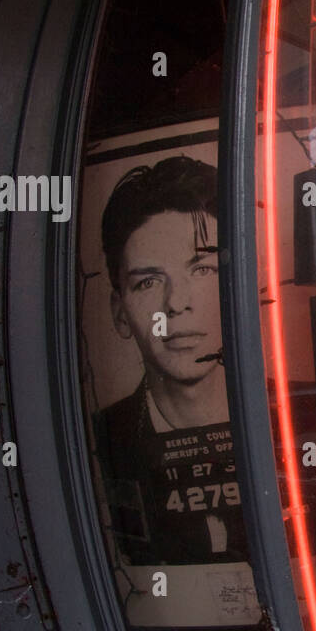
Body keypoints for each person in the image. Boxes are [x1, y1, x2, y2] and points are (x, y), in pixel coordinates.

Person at [91, 156, 246, 565]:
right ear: (119, 312)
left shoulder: (297, 415)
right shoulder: (98, 441)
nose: (176, 304)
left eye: (203, 270)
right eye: (148, 281)